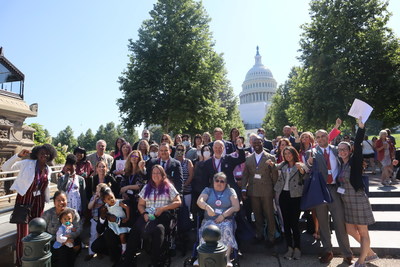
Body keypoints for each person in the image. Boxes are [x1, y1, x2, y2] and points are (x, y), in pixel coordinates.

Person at [1, 144, 57, 266]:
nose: (45, 155)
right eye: (42, 152)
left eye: (47, 153)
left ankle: (35, 259)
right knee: (23, 234)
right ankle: (21, 262)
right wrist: (18, 156)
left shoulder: (48, 169)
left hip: (39, 203)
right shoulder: (27, 163)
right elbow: (5, 168)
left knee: (37, 231)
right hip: (24, 203)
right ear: (36, 154)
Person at [307, 127, 353, 264]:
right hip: (320, 191)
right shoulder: (312, 152)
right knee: (323, 223)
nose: (321, 139)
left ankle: (347, 253)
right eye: (318, 137)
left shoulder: (336, 150)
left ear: (328, 137)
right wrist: (309, 163)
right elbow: (307, 168)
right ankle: (327, 251)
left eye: (323, 136)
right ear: (316, 139)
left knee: (340, 222)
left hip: (335, 189)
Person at [337, 118, 378, 267]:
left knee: (363, 232)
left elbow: (358, 145)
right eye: (339, 149)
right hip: (347, 203)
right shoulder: (341, 163)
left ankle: (362, 260)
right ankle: (370, 252)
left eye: (344, 149)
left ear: (349, 151)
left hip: (358, 200)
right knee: (349, 230)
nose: (342, 151)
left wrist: (361, 127)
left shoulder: (354, 161)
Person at [123, 165, 182, 266]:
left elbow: (178, 202)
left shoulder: (168, 186)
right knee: (135, 230)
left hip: (163, 215)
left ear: (163, 175)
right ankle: (127, 260)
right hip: (148, 215)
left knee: (158, 230)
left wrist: (163, 208)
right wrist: (144, 213)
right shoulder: (147, 187)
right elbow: (140, 205)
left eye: (158, 173)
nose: (155, 175)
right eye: (153, 173)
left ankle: (156, 261)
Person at [268, 146, 308, 260]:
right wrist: (271, 163)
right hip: (283, 195)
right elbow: (275, 167)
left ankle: (298, 248)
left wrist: (301, 170)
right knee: (286, 223)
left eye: (289, 153)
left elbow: (305, 176)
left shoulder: (299, 164)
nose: (287, 155)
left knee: (294, 224)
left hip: (295, 196)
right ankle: (289, 247)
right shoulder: (283, 165)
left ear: (293, 153)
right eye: (285, 154)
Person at [196, 172, 240, 266]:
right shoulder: (208, 190)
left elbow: (236, 207)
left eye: (222, 181)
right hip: (209, 220)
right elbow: (199, 201)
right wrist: (207, 207)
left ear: (225, 183)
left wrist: (223, 215)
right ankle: (202, 258)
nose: (219, 183)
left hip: (226, 220)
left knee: (226, 229)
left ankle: (227, 259)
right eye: (217, 180)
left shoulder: (230, 191)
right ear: (213, 181)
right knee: (207, 231)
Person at [241, 137, 278, 245]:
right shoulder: (248, 158)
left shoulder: (270, 157)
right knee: (257, 214)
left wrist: (275, 189)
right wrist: (244, 188)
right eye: (254, 142)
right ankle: (259, 234)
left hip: (266, 190)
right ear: (252, 144)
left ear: (262, 143)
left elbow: (274, 174)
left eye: (259, 142)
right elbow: (245, 175)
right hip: (253, 190)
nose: (257, 144)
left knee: (269, 214)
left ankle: (271, 237)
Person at [42, 191, 82, 267]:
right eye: (58, 200)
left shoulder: (72, 212)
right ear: (54, 202)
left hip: (70, 237)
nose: (61, 202)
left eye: (63, 200)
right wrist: (60, 240)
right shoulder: (47, 214)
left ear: (67, 200)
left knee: (75, 243)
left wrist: (69, 236)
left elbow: (78, 228)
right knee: (62, 250)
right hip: (53, 241)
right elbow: (42, 232)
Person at [120, 150, 147, 224]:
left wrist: (127, 187)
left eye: (136, 156)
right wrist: (124, 193)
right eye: (132, 156)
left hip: (137, 199)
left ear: (139, 158)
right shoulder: (126, 170)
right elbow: (122, 184)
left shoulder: (141, 170)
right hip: (127, 198)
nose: (134, 158)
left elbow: (140, 185)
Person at [102, 188, 130, 254]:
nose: (111, 200)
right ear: (105, 201)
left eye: (112, 197)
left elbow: (127, 207)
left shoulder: (118, 203)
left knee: (122, 235)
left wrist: (127, 217)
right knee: (111, 235)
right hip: (113, 224)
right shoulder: (106, 206)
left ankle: (124, 248)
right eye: (108, 199)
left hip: (121, 222)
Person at [86, 183, 108, 261]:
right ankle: (91, 252)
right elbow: (89, 207)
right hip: (95, 220)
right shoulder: (94, 198)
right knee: (93, 236)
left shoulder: (105, 198)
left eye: (99, 191)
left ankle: (99, 251)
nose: (97, 193)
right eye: (96, 191)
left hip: (103, 221)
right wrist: (94, 199)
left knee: (101, 236)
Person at [175, 143, 194, 213]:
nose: (180, 151)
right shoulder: (173, 161)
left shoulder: (188, 162)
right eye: (178, 149)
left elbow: (191, 175)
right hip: (175, 192)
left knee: (186, 211)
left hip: (187, 191)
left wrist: (184, 185)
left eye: (182, 150)